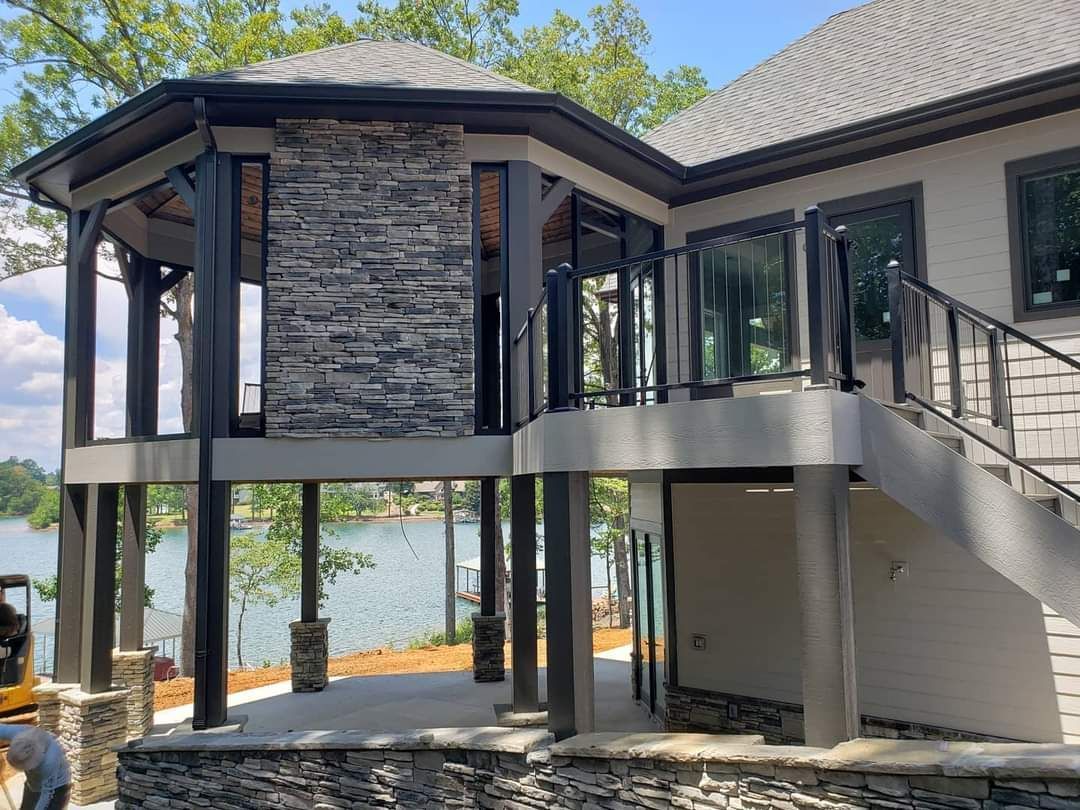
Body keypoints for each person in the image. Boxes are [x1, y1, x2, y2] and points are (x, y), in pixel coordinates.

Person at [0, 725, 70, 809]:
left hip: (57, 788)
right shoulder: (19, 733)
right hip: (33, 784)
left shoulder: (49, 764)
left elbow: (46, 796)